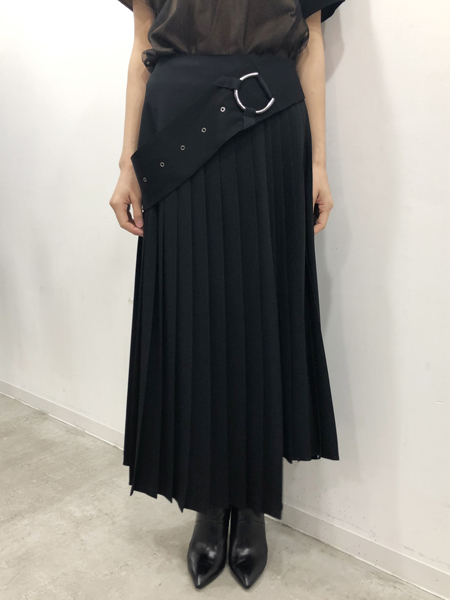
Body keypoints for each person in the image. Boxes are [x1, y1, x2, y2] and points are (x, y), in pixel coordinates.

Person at [109, 0, 345, 590]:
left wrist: (318, 161)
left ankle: (253, 501)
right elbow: (142, 44)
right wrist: (126, 163)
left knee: (259, 314)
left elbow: (310, 41)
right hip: (176, 130)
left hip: (270, 127)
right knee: (193, 316)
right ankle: (209, 502)